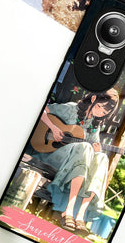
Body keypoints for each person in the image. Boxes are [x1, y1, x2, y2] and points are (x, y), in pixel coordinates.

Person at [33, 89, 119, 235]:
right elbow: (42, 110)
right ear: (93, 99)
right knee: (84, 147)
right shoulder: (71, 109)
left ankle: (80, 215)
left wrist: (97, 151)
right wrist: (53, 128)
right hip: (51, 152)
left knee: (102, 158)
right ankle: (69, 209)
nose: (100, 112)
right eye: (100, 107)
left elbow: (93, 150)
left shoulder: (95, 125)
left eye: (105, 112)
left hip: (74, 162)